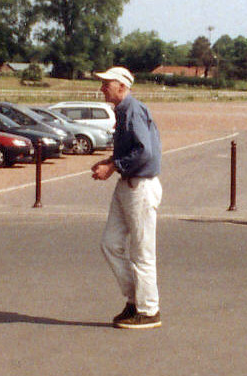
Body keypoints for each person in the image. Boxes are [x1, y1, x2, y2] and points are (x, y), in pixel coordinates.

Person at [89, 66, 162, 329]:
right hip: (127, 185)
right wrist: (111, 161)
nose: (102, 88)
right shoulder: (123, 112)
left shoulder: (133, 110)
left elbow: (144, 152)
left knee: (142, 251)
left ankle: (149, 309)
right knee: (110, 243)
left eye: (106, 83)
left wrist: (112, 167)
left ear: (122, 86)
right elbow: (135, 149)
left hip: (140, 187)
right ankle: (135, 300)